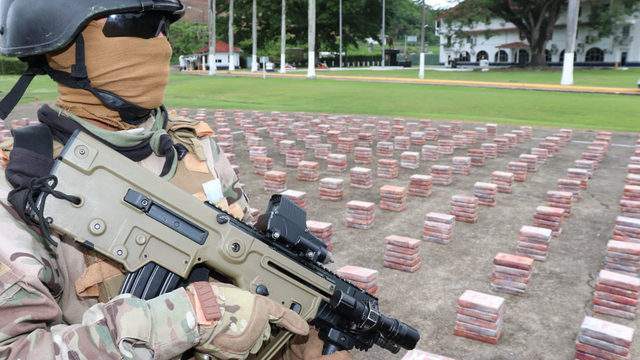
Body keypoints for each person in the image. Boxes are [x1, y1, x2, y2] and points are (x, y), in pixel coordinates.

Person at [0, 1, 350, 359]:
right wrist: (188, 318)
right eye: (139, 24)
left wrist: (298, 345)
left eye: (163, 27)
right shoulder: (21, 184)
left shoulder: (195, 146)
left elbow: (245, 273)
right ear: (62, 48)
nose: (161, 45)